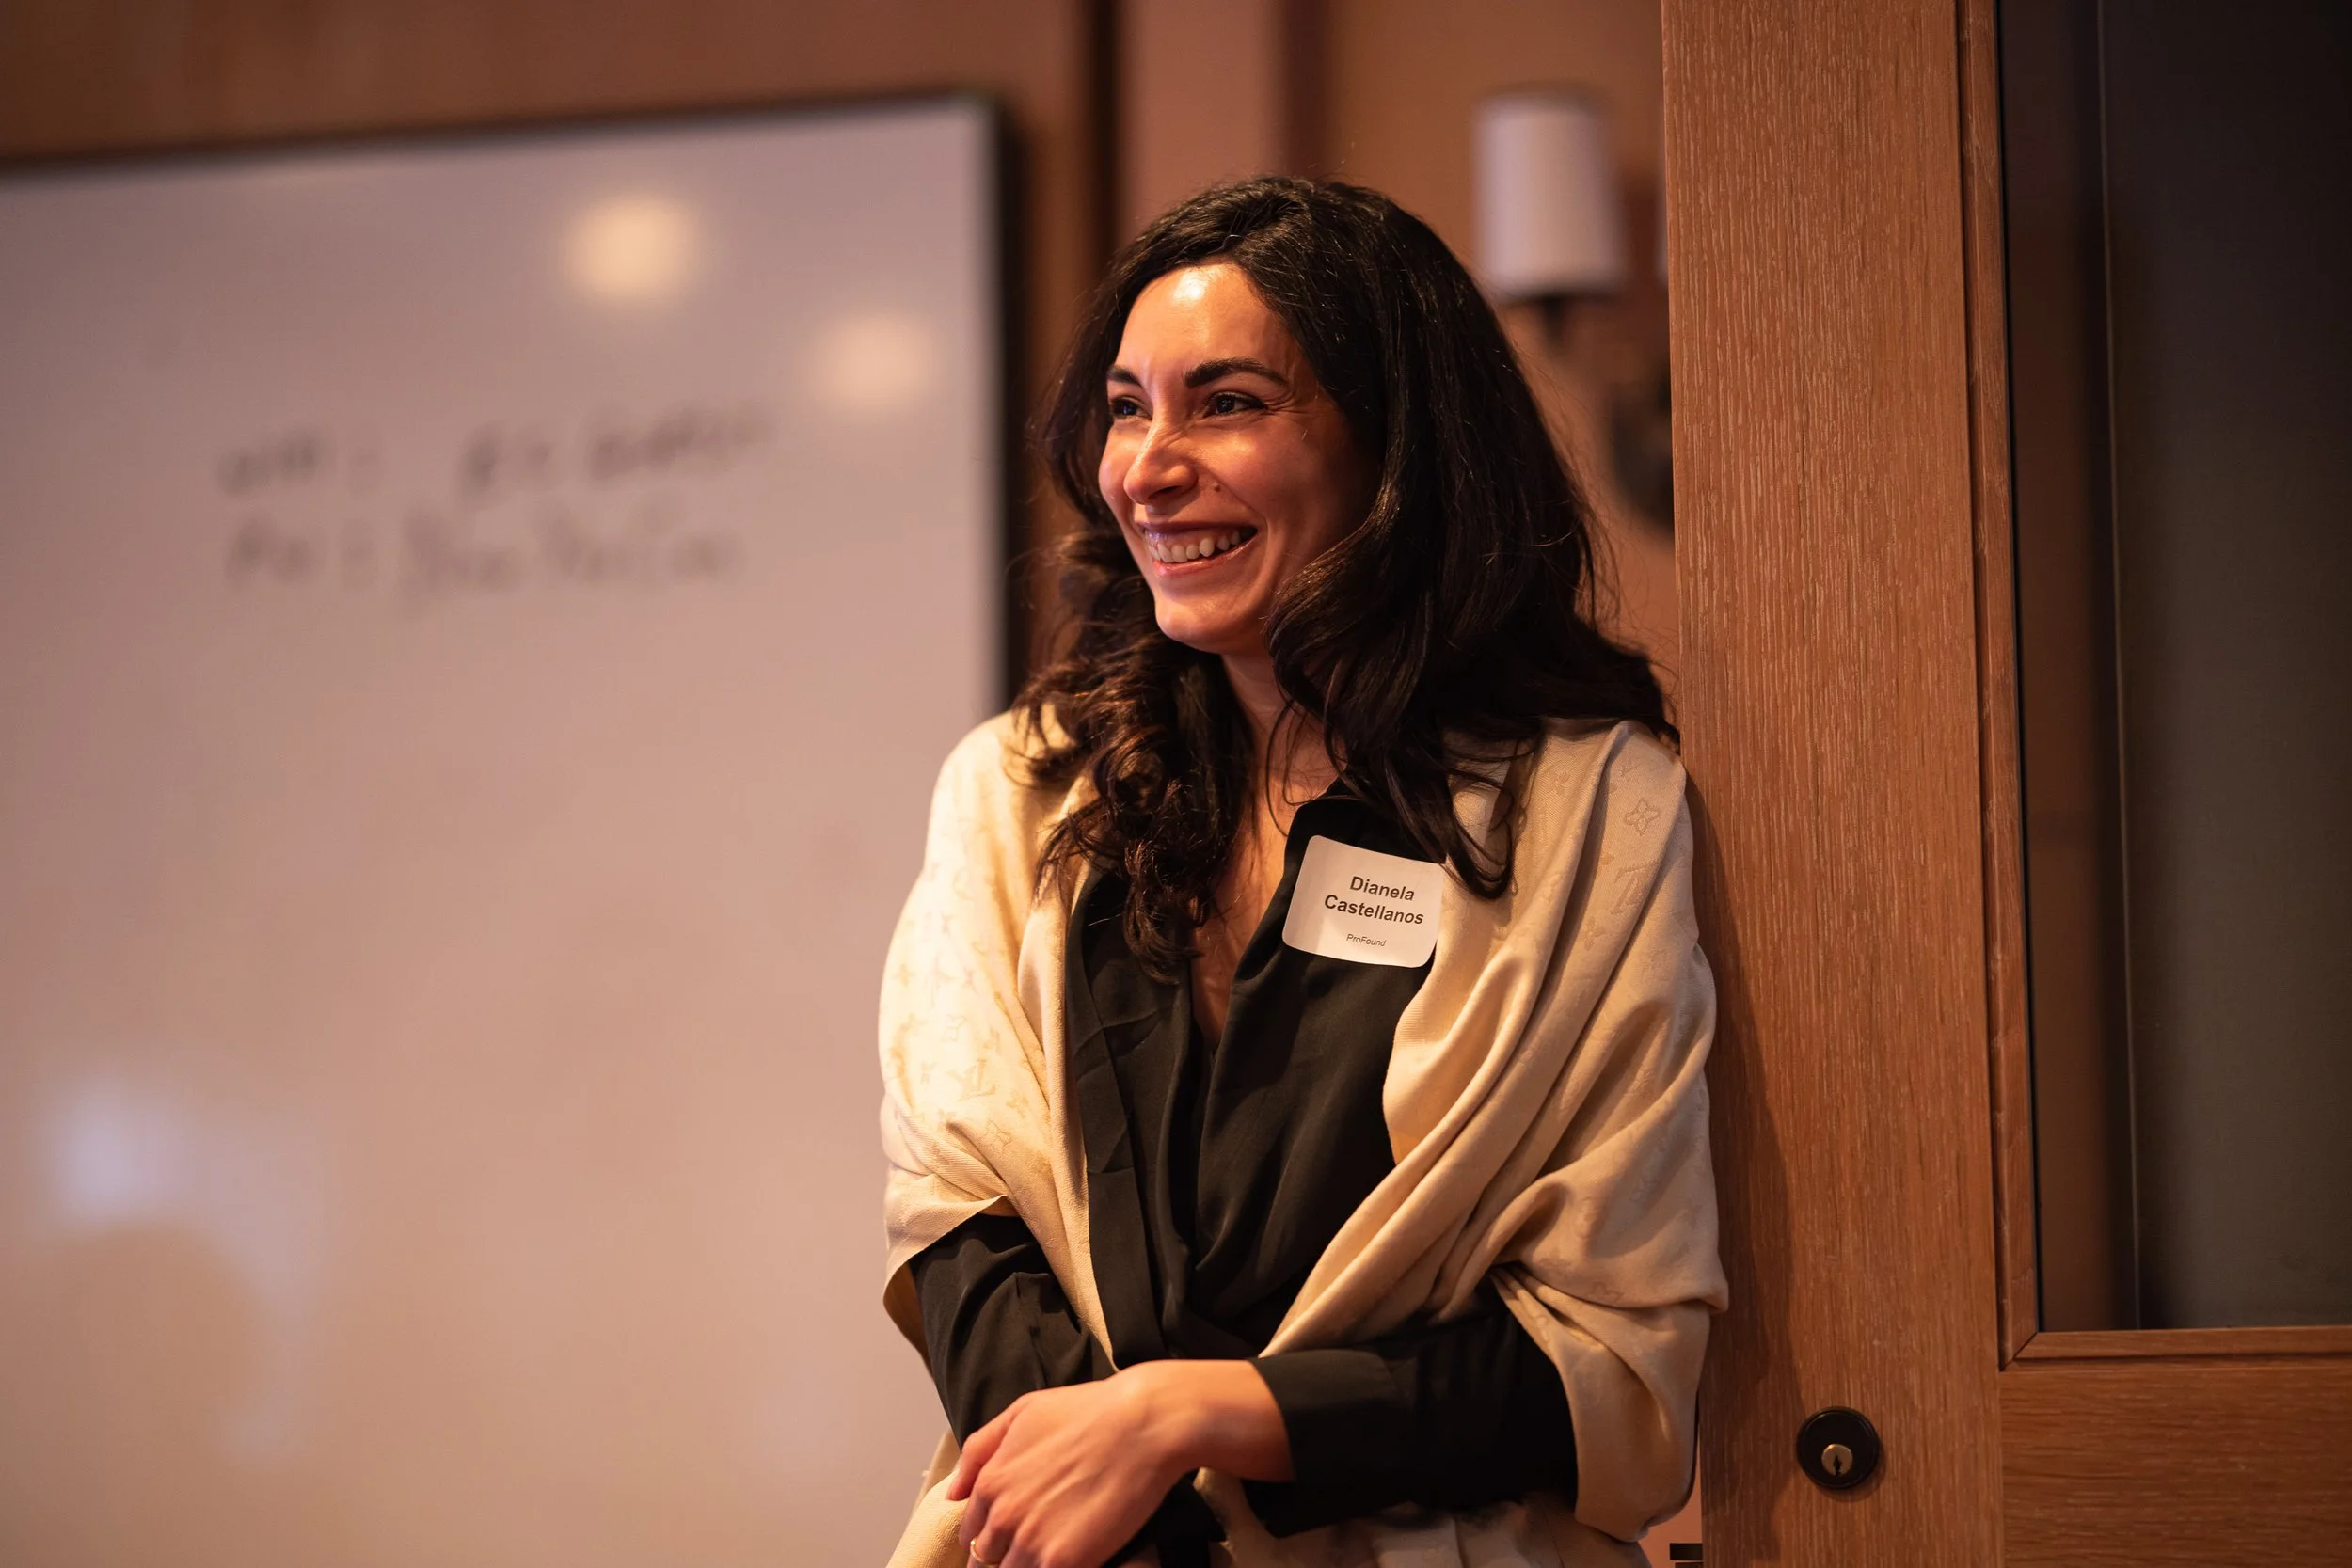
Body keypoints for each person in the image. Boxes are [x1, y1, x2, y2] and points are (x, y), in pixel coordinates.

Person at [878, 178, 1723, 1568]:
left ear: (1395, 446)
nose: (1147, 465)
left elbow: (1607, 1352)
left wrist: (1200, 1413)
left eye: (1227, 403)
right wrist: (1131, 1495)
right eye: (1127, 406)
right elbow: (961, 1220)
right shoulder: (1018, 792)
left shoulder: (1590, 812)